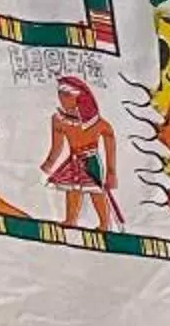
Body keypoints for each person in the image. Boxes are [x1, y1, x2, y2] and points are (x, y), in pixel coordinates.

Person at [40, 74, 123, 229]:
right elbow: (57, 146)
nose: (61, 98)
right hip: (72, 161)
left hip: (91, 161)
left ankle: (105, 223)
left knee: (96, 191)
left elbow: (109, 139)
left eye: (66, 95)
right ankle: (71, 219)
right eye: (60, 94)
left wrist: (111, 172)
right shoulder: (58, 120)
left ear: (79, 97)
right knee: (72, 190)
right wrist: (49, 163)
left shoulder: (96, 122)